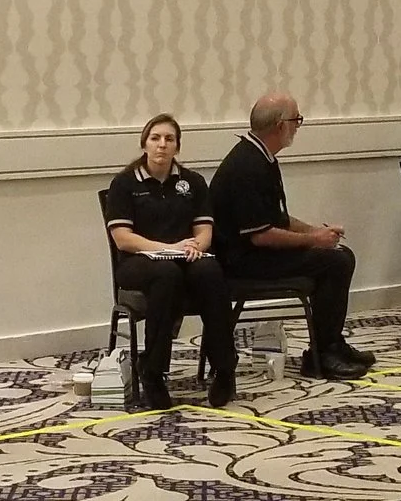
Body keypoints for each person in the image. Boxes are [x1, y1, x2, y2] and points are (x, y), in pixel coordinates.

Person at [210, 94, 370, 381]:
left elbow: (279, 219)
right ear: (280, 125)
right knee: (336, 262)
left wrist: (315, 231)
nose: (298, 126)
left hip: (253, 253)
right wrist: (314, 241)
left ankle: (330, 344)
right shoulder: (247, 167)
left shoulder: (261, 157)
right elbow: (261, 236)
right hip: (241, 262)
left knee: (338, 255)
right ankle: (323, 353)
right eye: (297, 120)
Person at [105, 115, 238, 409]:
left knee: (210, 270)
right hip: (138, 262)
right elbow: (123, 239)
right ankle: (153, 373)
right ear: (144, 144)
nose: (162, 145)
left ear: (177, 146)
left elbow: (204, 231)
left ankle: (224, 368)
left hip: (184, 257)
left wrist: (195, 247)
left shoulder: (193, 182)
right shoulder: (125, 184)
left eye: (169, 139)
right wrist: (167, 248)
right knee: (166, 275)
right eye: (155, 138)